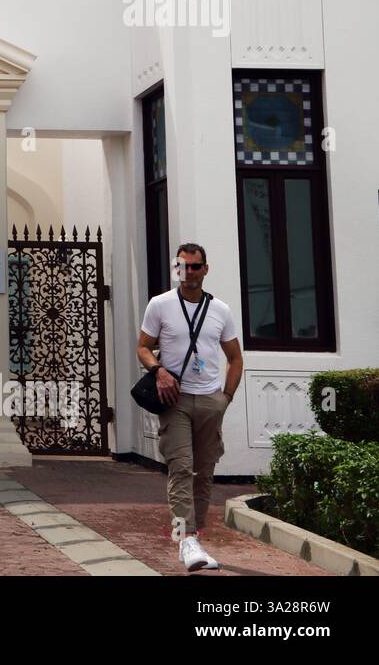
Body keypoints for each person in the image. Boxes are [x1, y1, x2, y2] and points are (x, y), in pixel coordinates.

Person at [137, 243, 243, 573]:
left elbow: (236, 358)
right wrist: (159, 371)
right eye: (182, 267)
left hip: (211, 400)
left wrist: (225, 398)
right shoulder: (161, 305)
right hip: (175, 400)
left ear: (205, 269)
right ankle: (186, 539)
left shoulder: (221, 310)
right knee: (181, 466)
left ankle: (195, 535)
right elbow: (143, 347)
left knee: (204, 471)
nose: (189, 273)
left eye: (195, 267)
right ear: (175, 270)